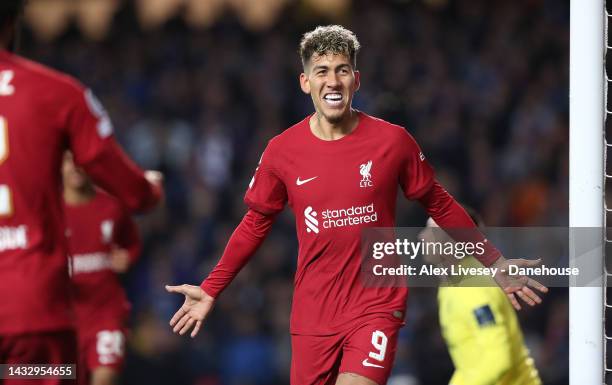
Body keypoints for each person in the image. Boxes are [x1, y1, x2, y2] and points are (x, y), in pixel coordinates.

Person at [166, 25, 546, 385]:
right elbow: (255, 223)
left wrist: (494, 262)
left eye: (342, 70)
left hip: (376, 303)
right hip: (314, 312)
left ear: (356, 79)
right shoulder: (282, 151)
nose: (332, 81)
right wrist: (213, 287)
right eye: (322, 71)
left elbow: (439, 202)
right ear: (306, 82)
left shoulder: (392, 142)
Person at [0, 1, 162, 384]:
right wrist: (150, 189)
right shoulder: (58, 94)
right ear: (13, 20)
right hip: (30, 316)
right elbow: (131, 190)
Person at [420, 209, 542, 385]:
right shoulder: (453, 283)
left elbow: (498, 359)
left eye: (432, 231)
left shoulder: (473, 288)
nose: (422, 236)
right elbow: (470, 366)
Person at [63, 152, 142, 385]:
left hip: (106, 316)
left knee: (104, 377)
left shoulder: (112, 206)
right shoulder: (49, 212)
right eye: (69, 160)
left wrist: (127, 257)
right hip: (65, 320)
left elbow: (132, 243)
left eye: (81, 160)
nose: (76, 166)